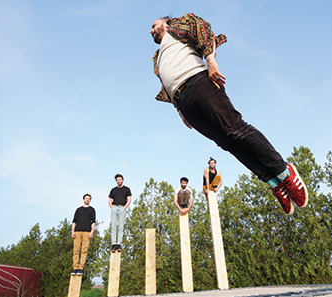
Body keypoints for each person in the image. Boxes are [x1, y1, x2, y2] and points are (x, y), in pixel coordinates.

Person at [150, 13, 308, 215]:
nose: (151, 30)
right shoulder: (157, 58)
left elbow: (201, 27)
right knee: (227, 144)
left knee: (235, 129)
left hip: (199, 83)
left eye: (154, 25)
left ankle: (284, 172)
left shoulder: (177, 27)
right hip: (184, 102)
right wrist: (180, 110)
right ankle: (273, 181)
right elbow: (166, 83)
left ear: (166, 22)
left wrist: (210, 60)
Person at [71, 193, 96, 276]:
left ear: (90, 200)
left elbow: (93, 222)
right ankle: (75, 268)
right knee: (76, 250)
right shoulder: (78, 210)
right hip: (77, 231)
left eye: (89, 198)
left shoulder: (92, 210)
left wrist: (92, 231)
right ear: (83, 199)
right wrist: (73, 231)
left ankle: (80, 268)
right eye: (86, 198)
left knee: (84, 250)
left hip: (86, 232)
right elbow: (74, 221)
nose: (87, 200)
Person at [108, 174, 132, 252]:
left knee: (121, 226)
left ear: (122, 180)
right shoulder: (113, 190)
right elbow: (110, 200)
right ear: (116, 181)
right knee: (113, 226)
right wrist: (111, 207)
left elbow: (129, 199)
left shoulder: (127, 189)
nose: (119, 181)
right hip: (114, 207)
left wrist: (125, 207)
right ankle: (113, 243)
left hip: (122, 207)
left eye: (120, 180)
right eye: (117, 180)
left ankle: (119, 244)